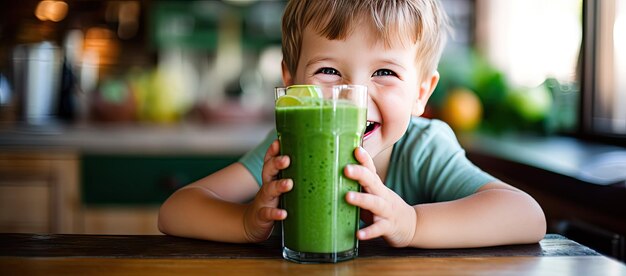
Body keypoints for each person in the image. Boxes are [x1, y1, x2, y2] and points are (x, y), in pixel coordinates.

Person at [158, 0, 546, 248]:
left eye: (384, 72)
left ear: (421, 94)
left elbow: (526, 215)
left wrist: (411, 224)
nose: (354, 94)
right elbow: (176, 209)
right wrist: (244, 222)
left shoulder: (426, 148)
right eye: (329, 70)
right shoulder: (289, 143)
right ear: (291, 84)